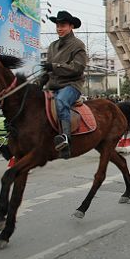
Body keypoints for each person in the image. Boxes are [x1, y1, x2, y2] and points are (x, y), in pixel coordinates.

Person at [40, 11, 87, 159]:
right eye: (58, 25)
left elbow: (78, 68)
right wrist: (39, 82)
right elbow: (48, 71)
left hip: (71, 85)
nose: (59, 28)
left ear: (71, 26)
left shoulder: (78, 44)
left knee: (61, 102)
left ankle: (66, 139)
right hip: (53, 85)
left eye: (63, 25)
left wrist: (54, 66)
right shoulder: (52, 46)